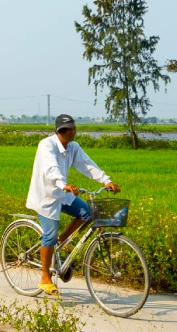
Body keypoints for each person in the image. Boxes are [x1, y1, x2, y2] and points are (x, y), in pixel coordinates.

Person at [25, 114, 120, 295]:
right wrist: (64, 184)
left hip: (63, 194)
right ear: (60, 130)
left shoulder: (73, 147)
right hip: (46, 196)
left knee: (88, 213)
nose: (73, 132)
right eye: (70, 129)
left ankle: (61, 240)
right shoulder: (47, 145)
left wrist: (106, 181)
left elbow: (87, 165)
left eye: (74, 128)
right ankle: (45, 277)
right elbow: (51, 169)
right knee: (49, 236)